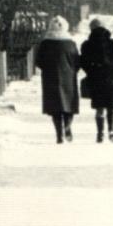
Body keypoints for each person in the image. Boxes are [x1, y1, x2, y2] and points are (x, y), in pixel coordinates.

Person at [34, 16, 80, 144]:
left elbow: (38, 62)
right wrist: (72, 70)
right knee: (69, 105)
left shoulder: (45, 43)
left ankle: (59, 135)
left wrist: (48, 69)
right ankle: (68, 125)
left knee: (55, 108)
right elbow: (77, 61)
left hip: (50, 78)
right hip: (68, 78)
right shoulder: (70, 43)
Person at [80, 18, 113, 143]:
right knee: (111, 107)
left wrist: (92, 70)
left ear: (91, 29)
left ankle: (100, 133)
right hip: (112, 79)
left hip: (96, 80)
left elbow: (83, 62)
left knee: (99, 107)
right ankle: (111, 129)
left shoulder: (86, 45)